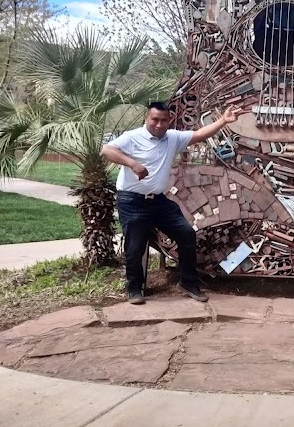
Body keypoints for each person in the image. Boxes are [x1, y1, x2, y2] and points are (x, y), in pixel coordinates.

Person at [101, 101, 241, 304]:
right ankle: (134, 288)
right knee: (135, 247)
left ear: (169, 120)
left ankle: (188, 282)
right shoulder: (132, 137)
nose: (159, 124)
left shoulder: (173, 137)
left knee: (186, 234)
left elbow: (200, 135)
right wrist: (132, 164)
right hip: (132, 201)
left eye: (164, 120)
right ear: (146, 119)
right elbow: (107, 150)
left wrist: (223, 120)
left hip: (158, 202)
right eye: (155, 120)